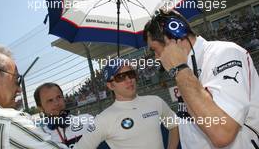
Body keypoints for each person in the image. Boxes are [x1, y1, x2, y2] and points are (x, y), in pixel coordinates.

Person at [143, 9, 259, 149]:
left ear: (173, 38)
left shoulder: (225, 53)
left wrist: (179, 69)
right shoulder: (185, 69)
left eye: (155, 49)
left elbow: (222, 133)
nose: (156, 57)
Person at [74, 58, 179, 149]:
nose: (129, 80)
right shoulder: (103, 119)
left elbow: (174, 125)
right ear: (110, 85)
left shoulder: (155, 101)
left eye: (130, 74)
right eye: (121, 77)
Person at [0, 44, 67, 149]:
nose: (19, 89)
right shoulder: (8, 121)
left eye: (59, 97)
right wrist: (98, 128)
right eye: (16, 80)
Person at [34, 82, 94, 148]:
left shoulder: (87, 120)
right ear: (40, 108)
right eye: (50, 100)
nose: (56, 103)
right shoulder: (39, 137)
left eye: (59, 97)